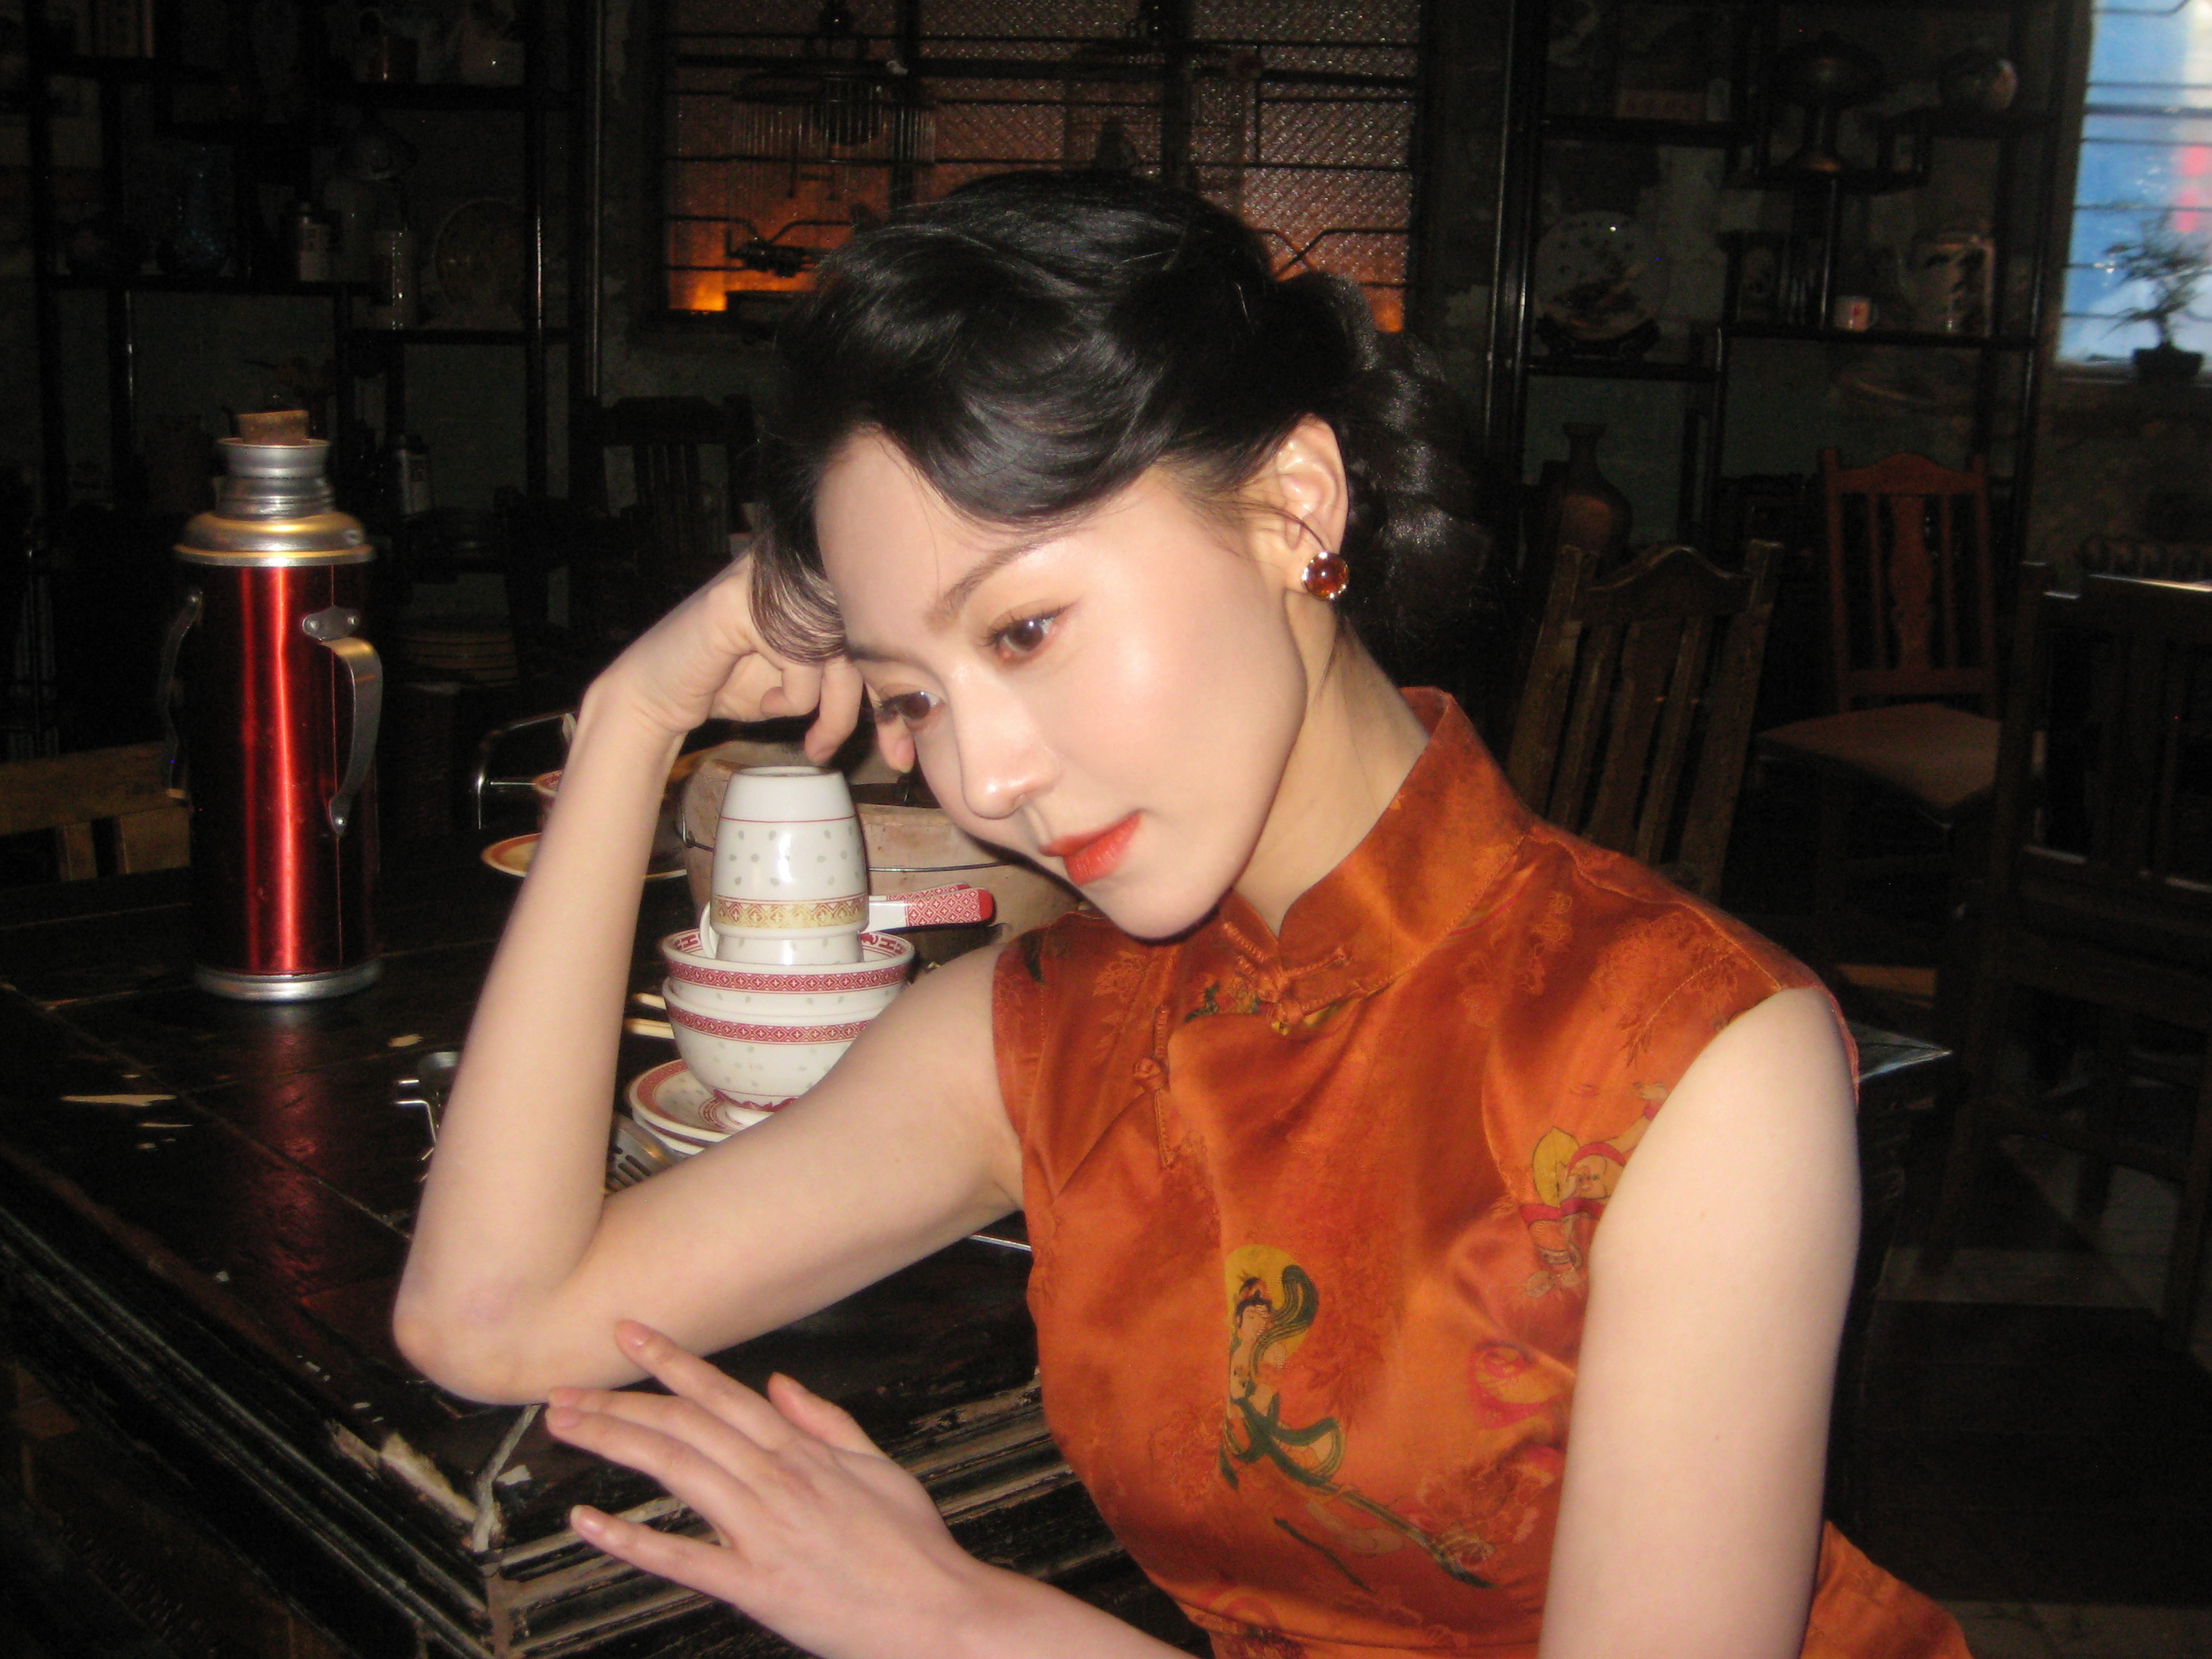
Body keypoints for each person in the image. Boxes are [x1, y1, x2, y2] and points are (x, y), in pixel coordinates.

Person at [394, 171, 1969, 1659]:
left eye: (1026, 628)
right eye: (908, 696)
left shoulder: (1688, 1060)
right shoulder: (1053, 1030)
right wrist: (634, 720)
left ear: (1293, 505)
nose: (984, 777)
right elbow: (493, 1319)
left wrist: (965, 1627)